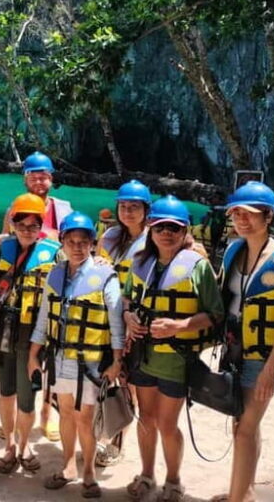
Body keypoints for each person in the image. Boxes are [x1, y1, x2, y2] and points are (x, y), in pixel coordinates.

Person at [214, 181, 274, 502]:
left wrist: (271, 369)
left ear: (268, 216)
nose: (243, 219)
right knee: (243, 425)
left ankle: (237, 497)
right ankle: (244, 492)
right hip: (234, 349)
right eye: (237, 213)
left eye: (251, 214)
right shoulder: (234, 250)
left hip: (263, 356)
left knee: (244, 428)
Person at [123, 195, 223, 502]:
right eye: (161, 226)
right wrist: (128, 317)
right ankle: (147, 474)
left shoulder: (198, 267)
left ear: (184, 232)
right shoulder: (140, 262)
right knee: (145, 417)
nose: (167, 233)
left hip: (176, 359)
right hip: (142, 354)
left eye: (174, 228)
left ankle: (174, 480)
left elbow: (215, 314)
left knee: (167, 423)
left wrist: (178, 326)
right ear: (151, 229)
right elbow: (128, 299)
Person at [27, 211, 124, 499]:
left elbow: (116, 322)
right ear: (63, 242)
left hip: (91, 361)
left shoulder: (106, 275)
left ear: (93, 243)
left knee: (86, 417)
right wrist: (34, 353)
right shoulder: (55, 274)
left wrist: (117, 361)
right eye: (72, 241)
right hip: (60, 359)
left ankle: (90, 473)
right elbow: (44, 317)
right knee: (66, 413)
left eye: (84, 241)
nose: (78, 246)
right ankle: (68, 465)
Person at [0, 194, 61, 475]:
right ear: (13, 223)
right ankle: (10, 445)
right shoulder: (2, 249)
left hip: (32, 334)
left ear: (41, 225)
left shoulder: (54, 253)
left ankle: (24, 445)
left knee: (27, 395)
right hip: (2, 329)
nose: (27, 230)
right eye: (21, 223)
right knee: (6, 390)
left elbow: (70, 282)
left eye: (33, 225)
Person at [1, 150, 72, 441]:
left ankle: (46, 414)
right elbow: (8, 245)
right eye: (33, 174)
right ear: (25, 178)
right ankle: (17, 413)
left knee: (48, 358)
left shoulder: (62, 208)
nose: (39, 180)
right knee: (19, 357)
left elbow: (73, 244)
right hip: (22, 292)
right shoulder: (14, 208)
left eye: (43, 175)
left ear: (51, 179)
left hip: (51, 287)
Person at [94, 179, 151, 467]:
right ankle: (100, 432)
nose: (128, 211)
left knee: (127, 383)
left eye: (134, 207)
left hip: (132, 320)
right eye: (124, 206)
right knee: (102, 376)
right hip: (104, 318)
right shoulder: (110, 237)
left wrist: (131, 315)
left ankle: (117, 441)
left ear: (145, 210)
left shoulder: (153, 240)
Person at [1, 151, 73, 242]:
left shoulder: (65, 210)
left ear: (50, 180)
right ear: (25, 181)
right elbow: (5, 238)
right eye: (33, 179)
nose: (38, 182)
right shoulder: (15, 209)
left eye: (42, 178)